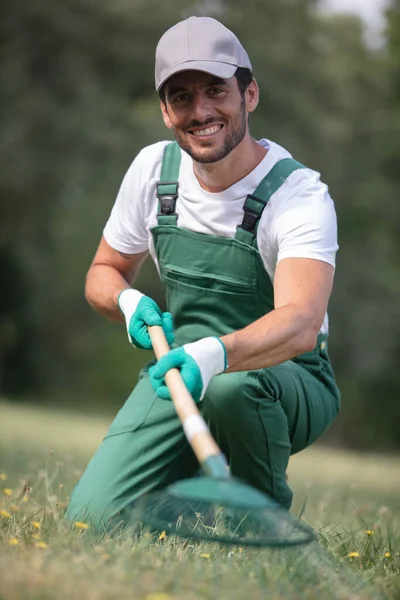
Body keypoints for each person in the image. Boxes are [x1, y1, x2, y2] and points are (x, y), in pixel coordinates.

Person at [65, 16, 341, 531]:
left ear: (250, 94)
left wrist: (215, 357)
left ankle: (262, 523)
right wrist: (127, 303)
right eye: (182, 97)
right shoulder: (153, 170)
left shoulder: (297, 195)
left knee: (231, 390)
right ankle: (188, 507)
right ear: (166, 110)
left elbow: (302, 323)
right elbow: (103, 272)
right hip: (179, 371)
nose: (201, 111)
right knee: (91, 521)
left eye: (216, 91)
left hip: (285, 381)